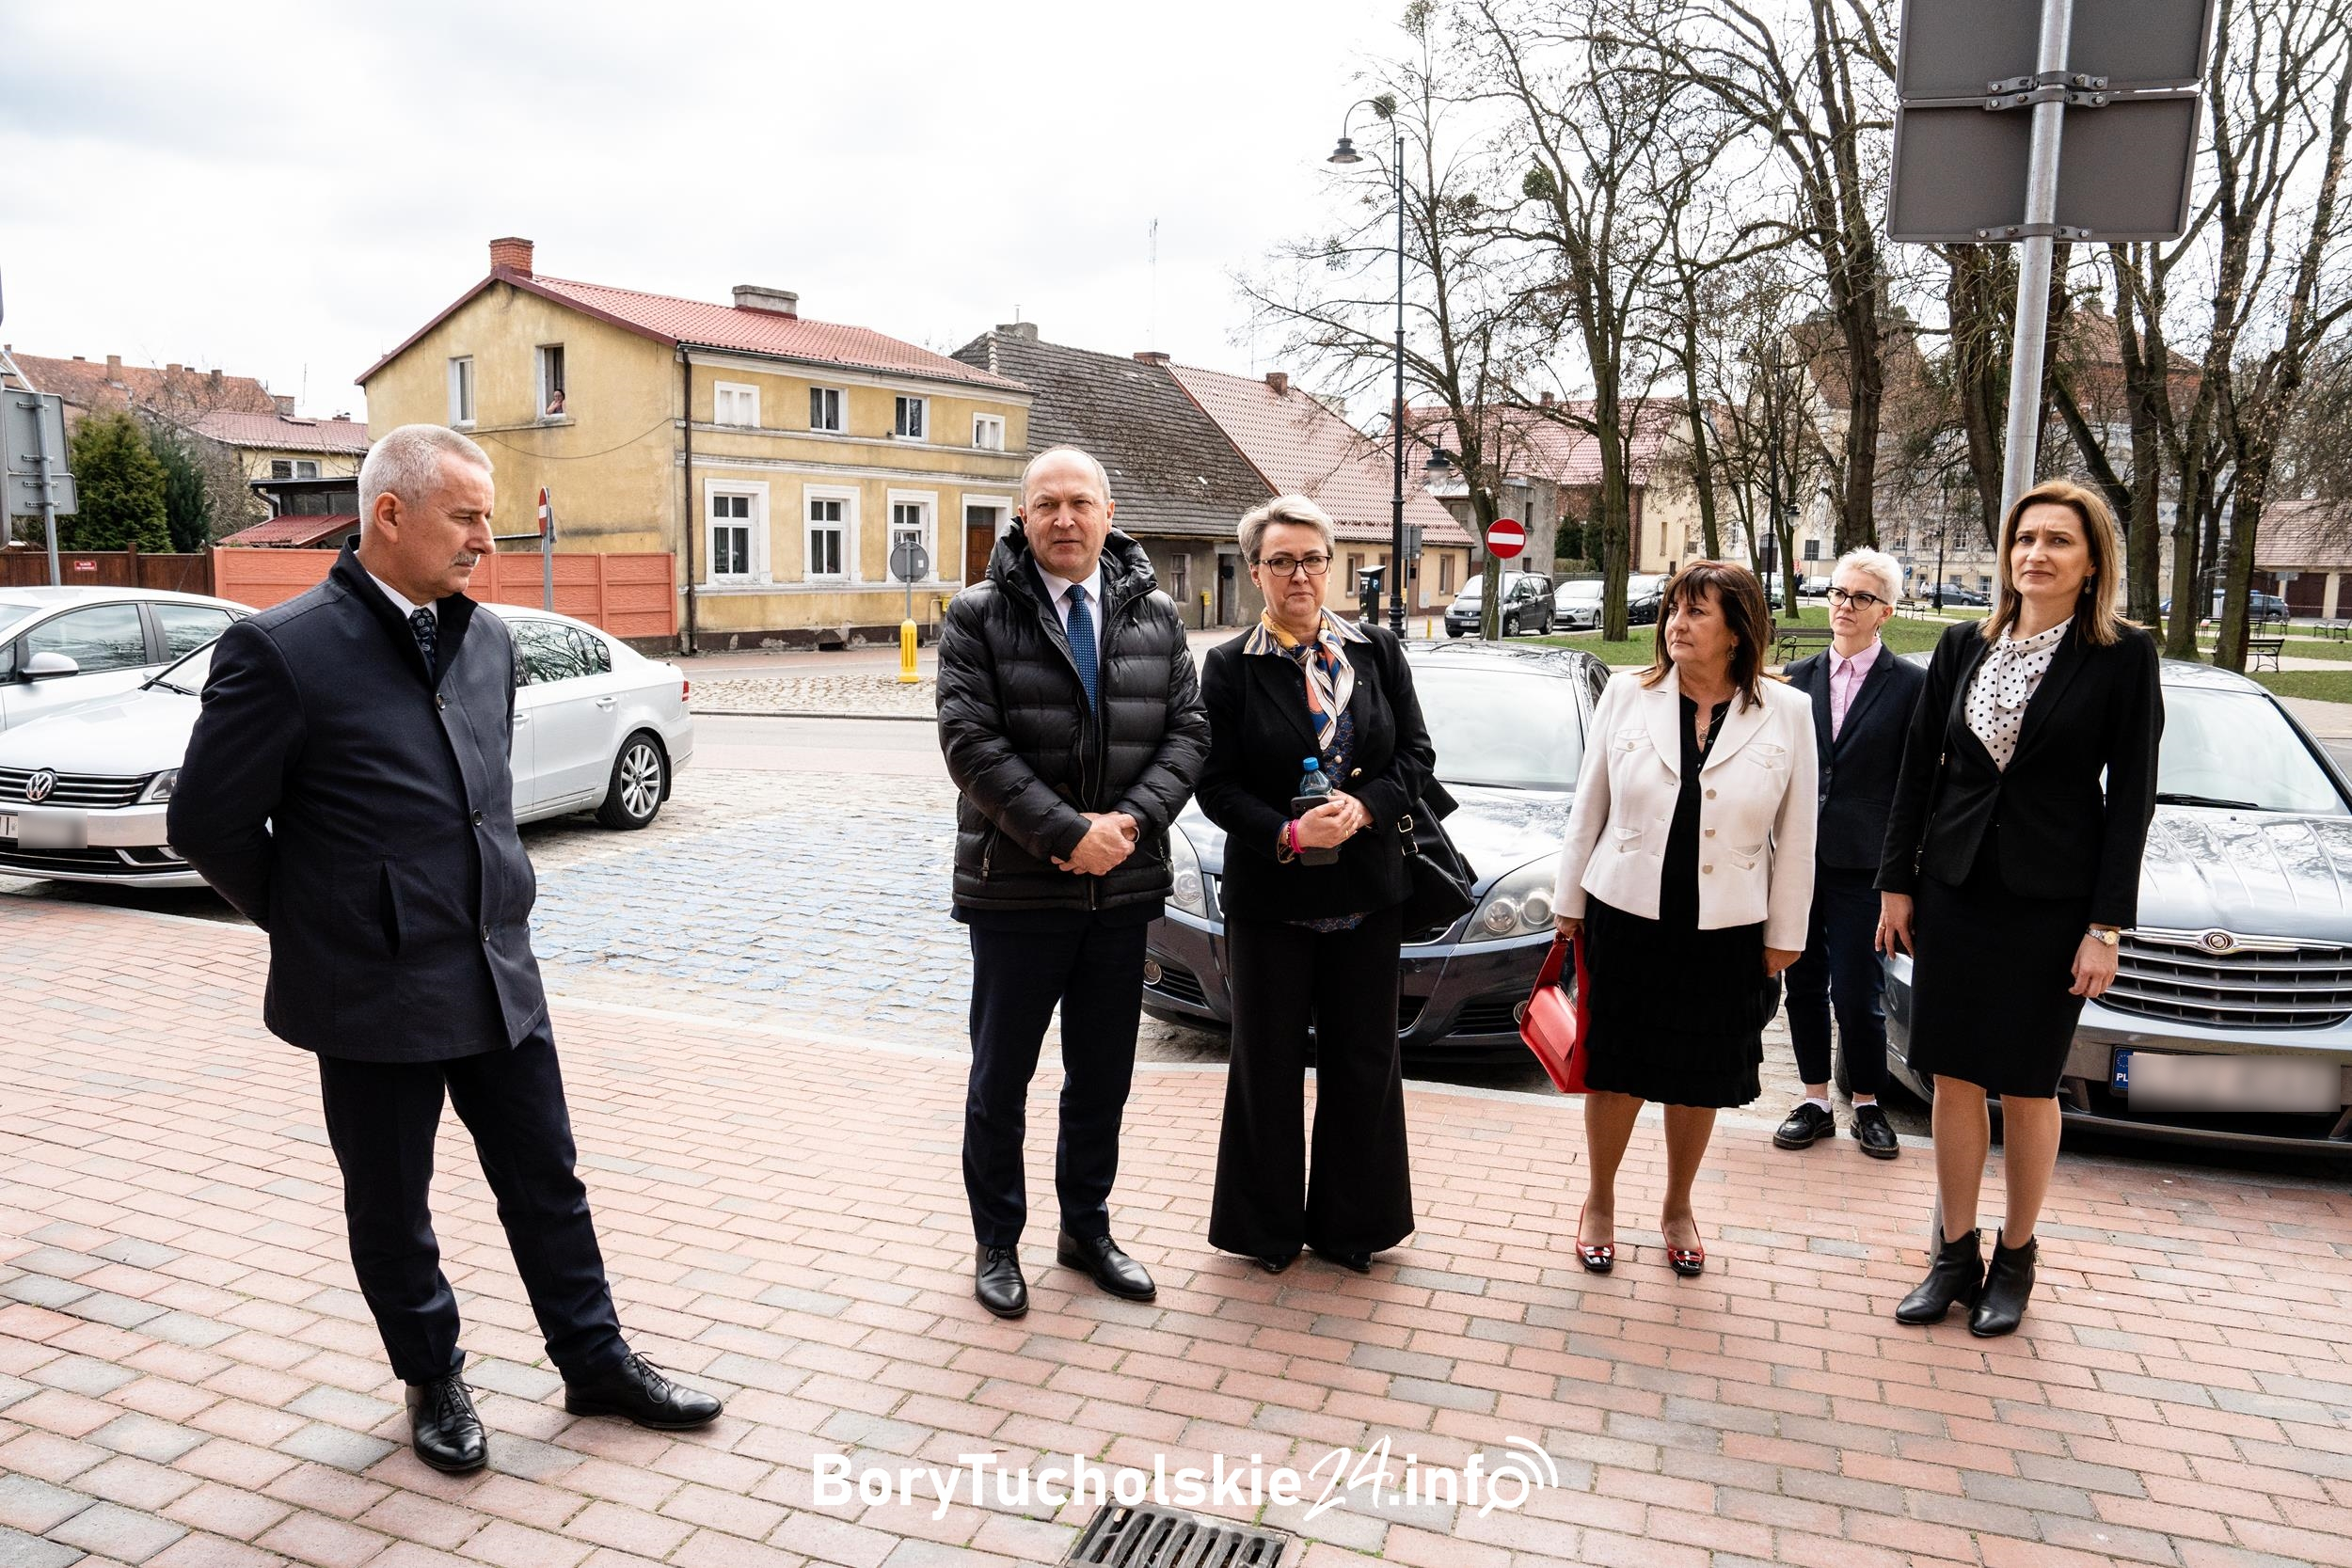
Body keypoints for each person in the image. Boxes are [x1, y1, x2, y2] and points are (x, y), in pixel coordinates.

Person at [167, 424, 721, 1475]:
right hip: (368, 986)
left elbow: (480, 800)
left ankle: (595, 1360)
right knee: (393, 1203)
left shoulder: (487, 640)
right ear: (391, 513)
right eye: (465, 517)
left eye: (487, 518)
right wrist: (317, 921)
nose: (486, 540)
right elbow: (205, 822)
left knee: (547, 1177)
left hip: (496, 965)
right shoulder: (281, 651)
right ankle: (433, 1378)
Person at [1878, 478, 2161, 1338]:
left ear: (2092, 562)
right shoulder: (1963, 643)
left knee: (2029, 1083)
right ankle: (1952, 1255)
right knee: (1953, 1074)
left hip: (2052, 903)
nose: (2036, 553)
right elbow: (1918, 769)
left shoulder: (2122, 656)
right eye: (2025, 538)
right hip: (1955, 889)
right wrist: (1896, 881)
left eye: (2058, 541)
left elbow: (2132, 798)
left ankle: (2016, 1257)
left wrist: (2105, 926)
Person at [935, 445, 1209, 1320]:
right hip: (1017, 888)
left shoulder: (1155, 615)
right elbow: (970, 745)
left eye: (1080, 502)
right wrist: (1066, 835)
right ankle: (997, 1243)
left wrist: (1125, 827)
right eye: (1046, 503)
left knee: (1102, 1077)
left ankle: (1085, 1230)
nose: (1064, 518)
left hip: (1120, 892)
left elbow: (1189, 734)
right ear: (1022, 516)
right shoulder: (977, 615)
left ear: (1107, 512)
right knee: (1001, 1078)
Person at [1552, 562, 1816, 1276]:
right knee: (1616, 1068)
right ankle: (1600, 1201)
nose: (1677, 624)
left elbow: (1799, 833)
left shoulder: (1788, 711)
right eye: (1673, 609)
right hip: (1626, 915)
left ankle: (1677, 1206)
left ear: (1737, 630)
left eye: (1697, 612)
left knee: (1700, 1072)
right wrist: (1568, 903)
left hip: (1728, 927)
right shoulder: (1626, 694)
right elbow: (1589, 805)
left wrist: (1786, 933)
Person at [1196, 497, 1433, 1276]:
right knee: (1265, 1065)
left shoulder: (1377, 651)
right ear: (1255, 571)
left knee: (1364, 1060)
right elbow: (1215, 785)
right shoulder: (1229, 666)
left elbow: (1417, 756)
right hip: (1273, 898)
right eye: (1281, 561)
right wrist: (1289, 834)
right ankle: (1266, 1230)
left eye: (1312, 559)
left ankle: (1352, 1224)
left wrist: (1365, 808)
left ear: (1331, 566)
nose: (1299, 574)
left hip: (1368, 893)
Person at [1773, 548, 1926, 1159]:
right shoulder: (1796, 678)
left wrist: (1902, 875)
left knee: (1858, 994)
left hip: (1867, 866)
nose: (1844, 605)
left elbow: (1916, 787)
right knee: (1803, 984)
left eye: (1861, 597)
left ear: (1885, 611)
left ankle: (1866, 1102)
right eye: (1838, 593)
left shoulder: (1910, 685)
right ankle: (1814, 1100)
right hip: (1797, 859)